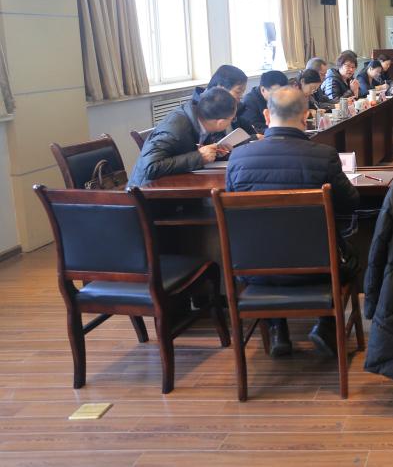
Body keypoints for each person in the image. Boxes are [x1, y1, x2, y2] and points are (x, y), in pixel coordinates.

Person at [226, 87, 361, 357]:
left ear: (267, 115)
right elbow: (350, 203)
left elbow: (235, 213)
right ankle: (325, 324)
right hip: (318, 269)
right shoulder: (323, 155)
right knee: (352, 257)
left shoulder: (238, 157)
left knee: (268, 242)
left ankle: (279, 330)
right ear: (306, 115)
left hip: (254, 270)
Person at [129, 87, 237, 186]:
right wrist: (199, 157)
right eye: (232, 119)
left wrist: (216, 152)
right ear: (220, 122)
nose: (232, 122)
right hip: (148, 191)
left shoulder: (203, 119)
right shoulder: (176, 128)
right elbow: (150, 168)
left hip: (176, 184)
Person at [238, 70, 289, 134]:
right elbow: (254, 128)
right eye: (276, 92)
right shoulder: (249, 101)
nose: (280, 96)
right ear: (263, 90)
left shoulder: (286, 97)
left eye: (284, 92)